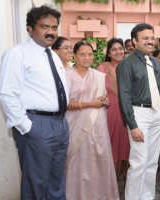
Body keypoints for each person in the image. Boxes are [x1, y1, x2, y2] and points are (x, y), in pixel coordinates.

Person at [0, 5, 69, 200]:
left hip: (60, 124)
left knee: (56, 181)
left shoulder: (52, 55)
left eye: (54, 28)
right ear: (30, 28)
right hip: (36, 125)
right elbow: (6, 93)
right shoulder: (17, 53)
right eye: (44, 27)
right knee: (35, 184)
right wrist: (27, 127)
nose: (51, 32)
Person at [116, 23, 160, 200]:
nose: (150, 41)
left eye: (152, 38)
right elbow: (124, 97)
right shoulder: (126, 64)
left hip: (157, 114)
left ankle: (147, 197)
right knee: (139, 162)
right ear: (134, 41)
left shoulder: (156, 62)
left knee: (153, 161)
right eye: (145, 38)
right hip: (138, 114)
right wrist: (132, 124)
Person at [65, 41, 119, 200]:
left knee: (97, 161)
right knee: (77, 163)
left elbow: (103, 98)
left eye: (90, 54)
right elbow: (63, 104)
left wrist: (105, 101)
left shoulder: (98, 76)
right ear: (74, 55)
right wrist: (90, 104)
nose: (87, 57)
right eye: (82, 54)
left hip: (97, 127)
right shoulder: (66, 74)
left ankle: (100, 195)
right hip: (74, 125)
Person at [97, 38, 130, 182]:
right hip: (110, 113)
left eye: (120, 48)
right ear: (109, 53)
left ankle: (129, 185)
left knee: (128, 146)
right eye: (114, 49)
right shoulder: (102, 69)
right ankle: (111, 184)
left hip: (128, 112)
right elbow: (96, 91)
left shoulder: (129, 66)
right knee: (111, 147)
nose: (118, 52)